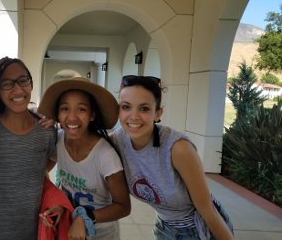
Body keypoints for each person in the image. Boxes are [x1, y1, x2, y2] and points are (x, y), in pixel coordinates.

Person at [111, 75, 234, 240]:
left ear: (157, 113)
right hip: (164, 225)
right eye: (126, 107)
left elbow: (207, 208)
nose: (134, 116)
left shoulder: (178, 148)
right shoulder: (117, 141)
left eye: (144, 109)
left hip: (198, 229)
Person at [0, 56, 60, 239]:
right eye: (7, 84)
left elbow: (50, 160)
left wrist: (28, 174)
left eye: (23, 80)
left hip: (31, 233)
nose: (18, 89)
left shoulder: (45, 130)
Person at [38, 77, 132, 240]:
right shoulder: (58, 141)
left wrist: (86, 217)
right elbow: (43, 171)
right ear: (58, 115)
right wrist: (58, 203)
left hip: (101, 233)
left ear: (92, 115)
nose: (72, 117)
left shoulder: (105, 155)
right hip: (67, 227)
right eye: (65, 109)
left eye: (81, 109)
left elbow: (123, 207)